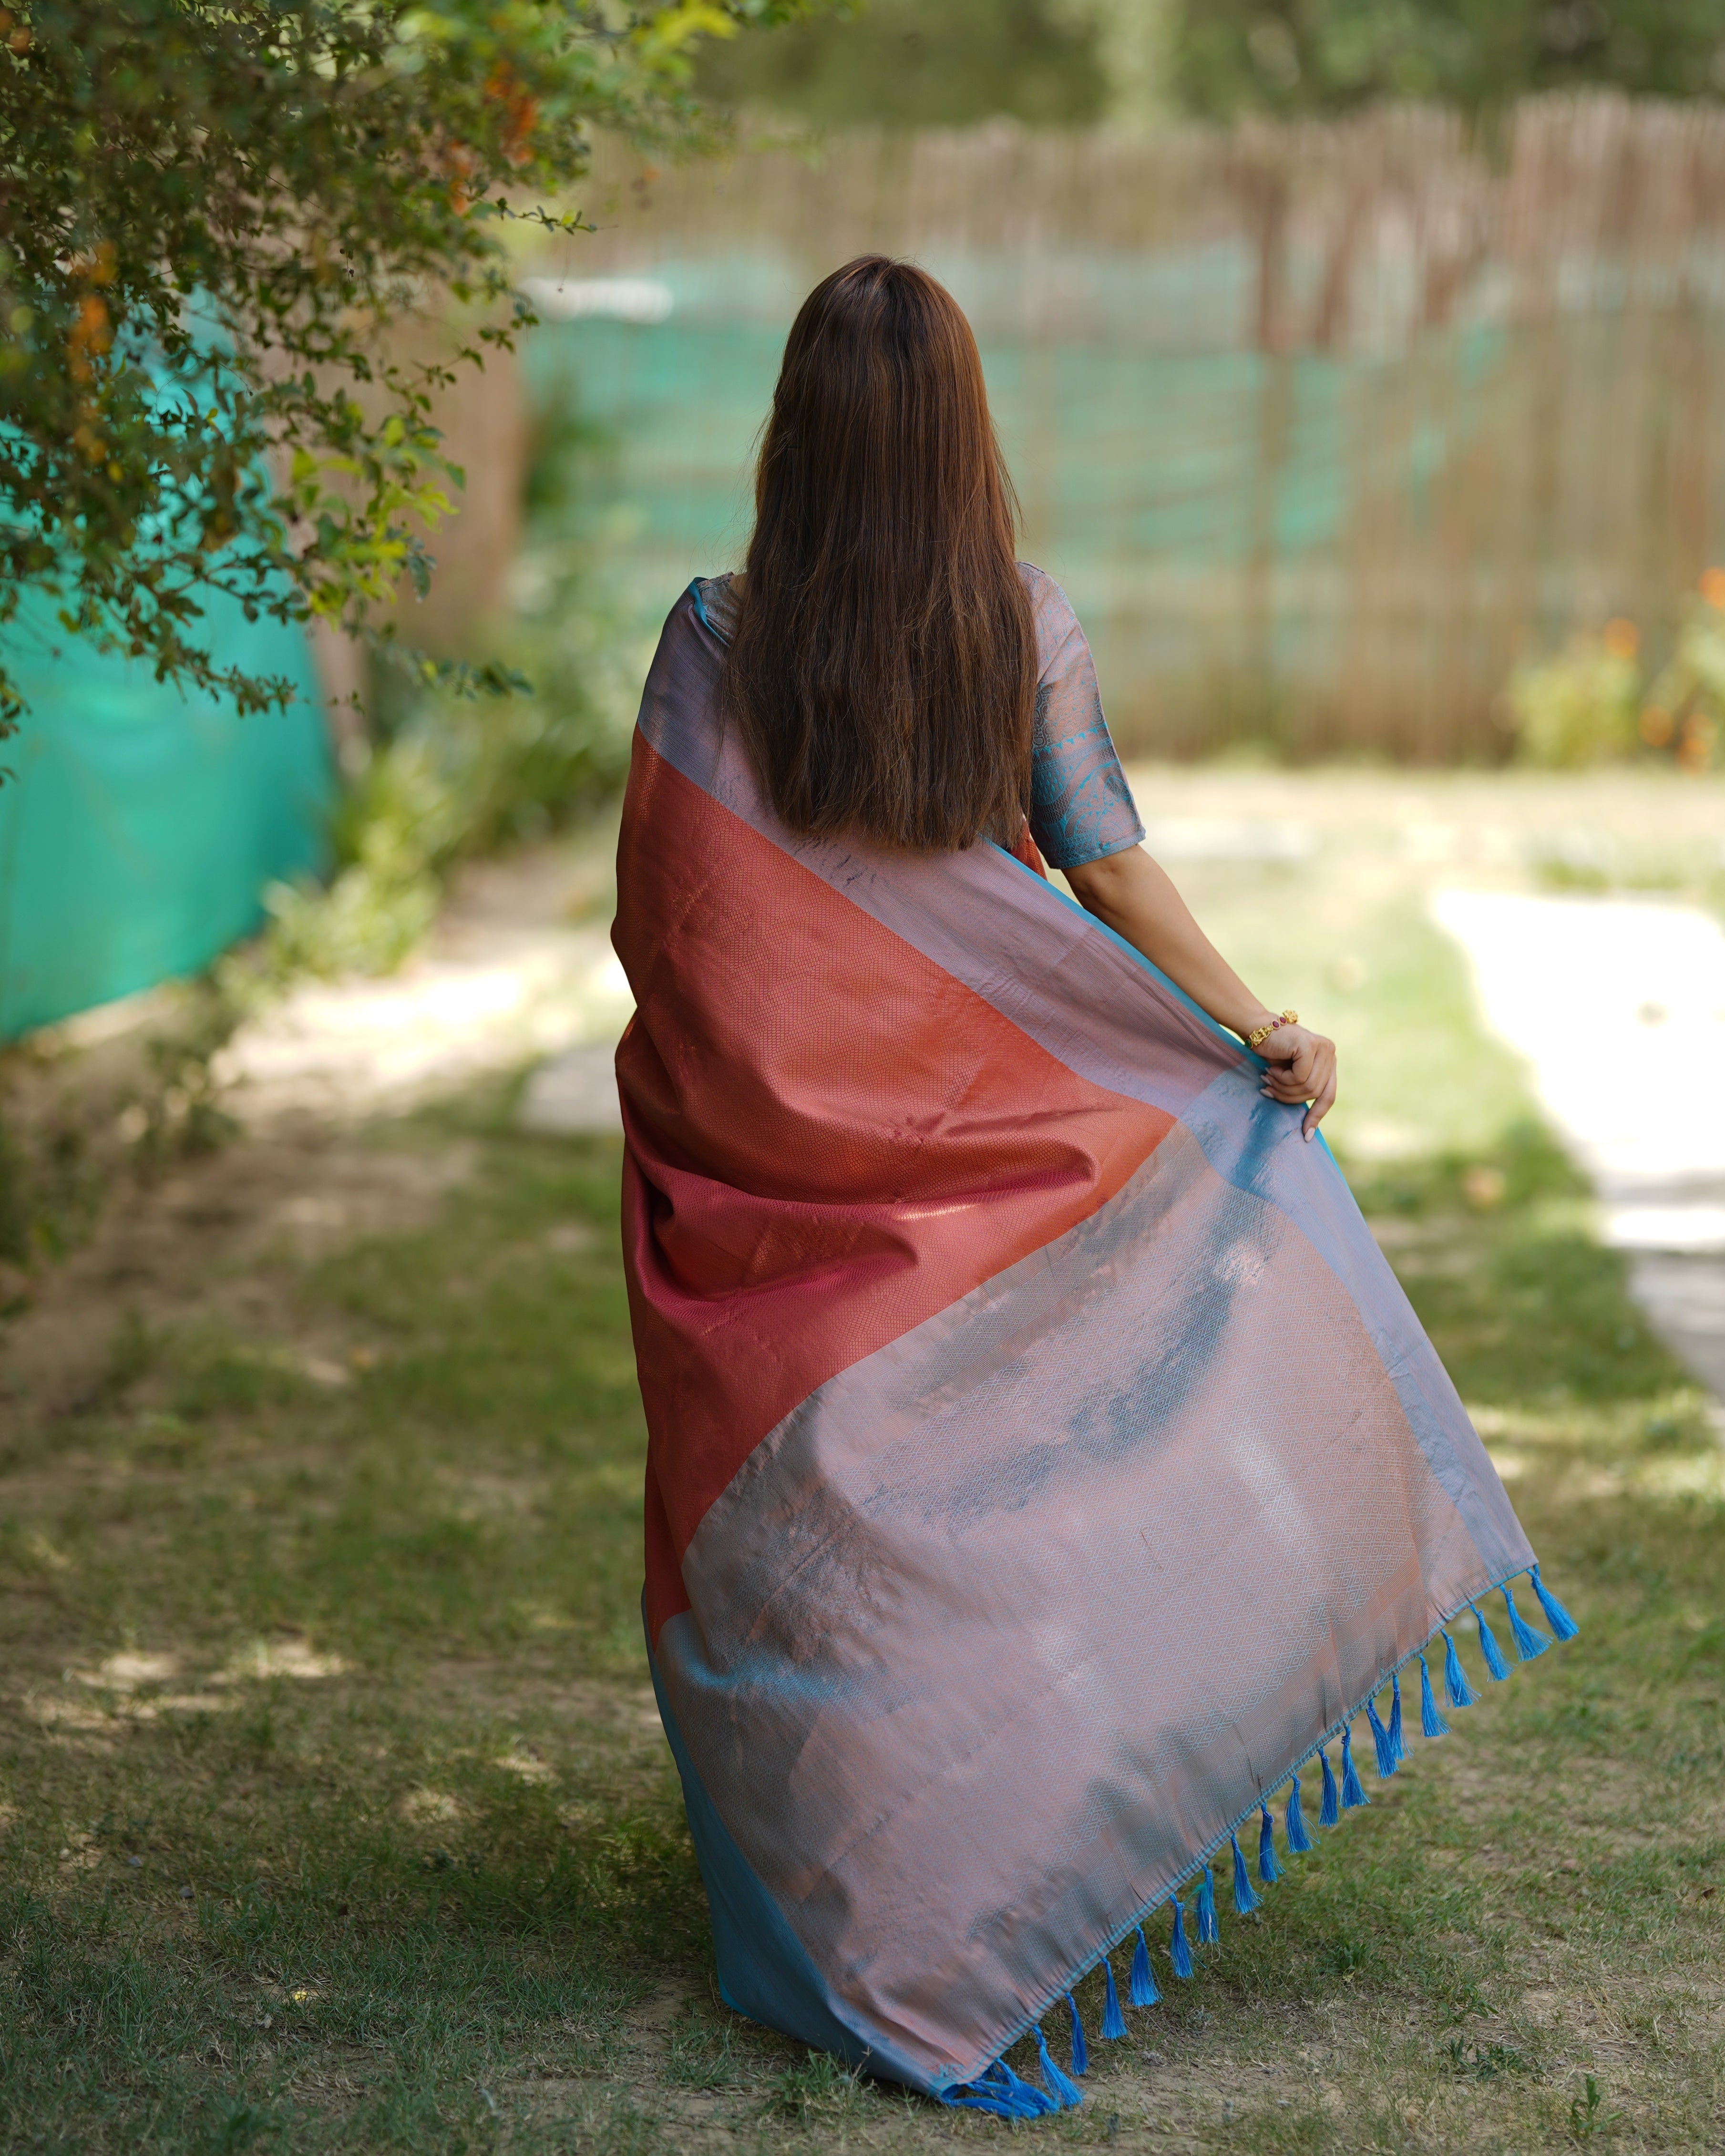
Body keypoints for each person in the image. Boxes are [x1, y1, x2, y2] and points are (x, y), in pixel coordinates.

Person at [610, 256, 1571, 2119]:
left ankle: (866, 1899)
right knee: (1010, 1517)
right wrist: (1252, 1028)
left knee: (840, 1546)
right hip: (1004, 1168)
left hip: (792, 1198)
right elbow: (1102, 863)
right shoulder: (1015, 622)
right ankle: (996, 1870)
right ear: (965, 435)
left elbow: (676, 909)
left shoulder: (716, 635)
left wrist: (774, 1079)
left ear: (789, 432)